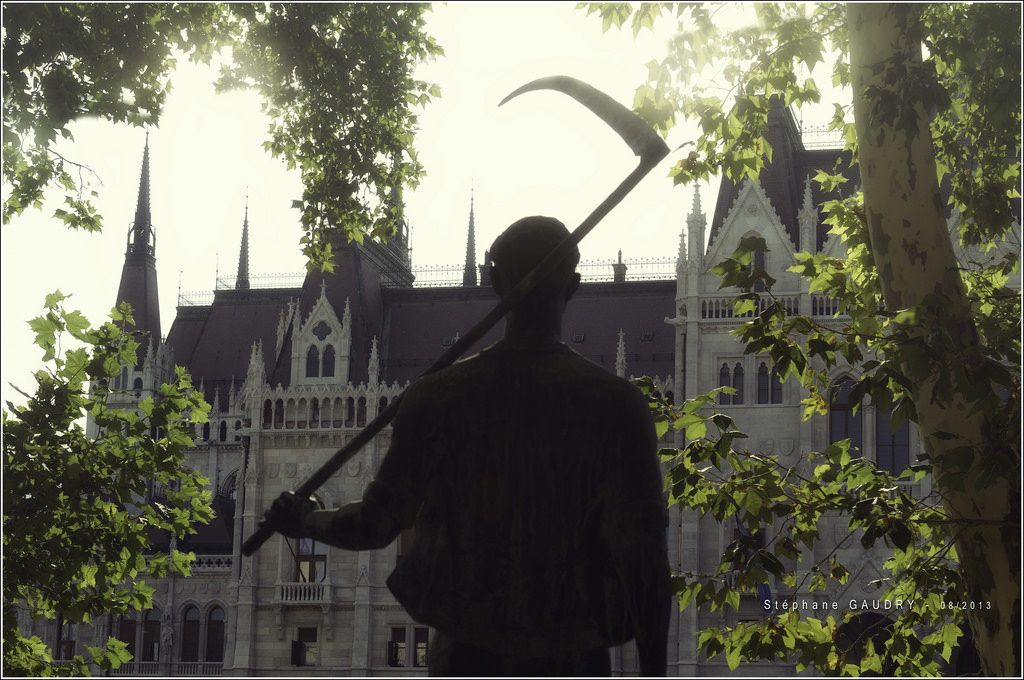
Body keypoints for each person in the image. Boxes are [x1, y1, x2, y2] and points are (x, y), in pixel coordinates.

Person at [261, 216, 670, 676]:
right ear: (572, 287)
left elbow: (374, 525)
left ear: (496, 281)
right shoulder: (619, 406)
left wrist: (304, 520)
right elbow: (647, 564)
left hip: (467, 657)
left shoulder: (437, 397)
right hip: (572, 658)